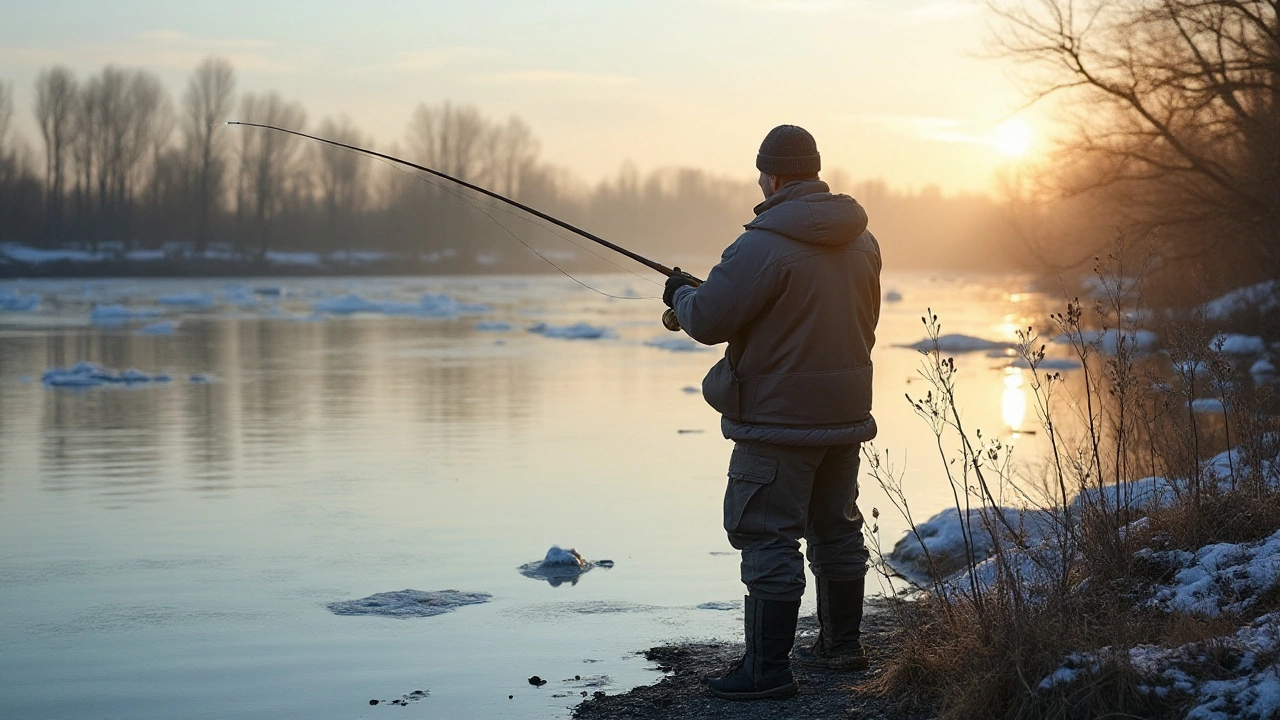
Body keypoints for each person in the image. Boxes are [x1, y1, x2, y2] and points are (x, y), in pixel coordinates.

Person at [663, 124, 881, 701]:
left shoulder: (760, 245)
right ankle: (841, 648)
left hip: (778, 422)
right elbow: (865, 322)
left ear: (774, 175)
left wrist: (680, 295)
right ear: (814, 170)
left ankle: (767, 670)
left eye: (762, 172)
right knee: (836, 530)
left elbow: (707, 320)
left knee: (766, 533)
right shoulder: (863, 242)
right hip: (843, 415)